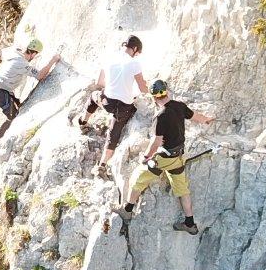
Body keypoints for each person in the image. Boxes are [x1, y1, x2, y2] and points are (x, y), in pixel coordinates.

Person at [122, 79, 213, 234]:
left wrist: (146, 157)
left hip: (164, 159)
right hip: (178, 158)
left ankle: (127, 211)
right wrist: (207, 120)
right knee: (182, 190)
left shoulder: (161, 116)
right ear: (167, 91)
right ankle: (190, 223)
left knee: (137, 179)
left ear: (153, 98)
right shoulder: (180, 106)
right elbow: (195, 116)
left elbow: (156, 142)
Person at [79, 34, 147, 177]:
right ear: (135, 49)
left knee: (93, 97)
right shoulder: (134, 64)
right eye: (138, 53)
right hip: (124, 107)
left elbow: (100, 82)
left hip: (107, 102)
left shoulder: (109, 57)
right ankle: (102, 165)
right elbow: (143, 88)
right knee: (113, 133)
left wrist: (114, 86)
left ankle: (82, 122)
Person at [0, 37, 59, 146]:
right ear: (33, 54)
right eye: (36, 55)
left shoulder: (15, 55)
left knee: (19, 108)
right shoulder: (22, 64)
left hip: (0, 89)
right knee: (13, 116)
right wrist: (52, 61)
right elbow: (40, 75)